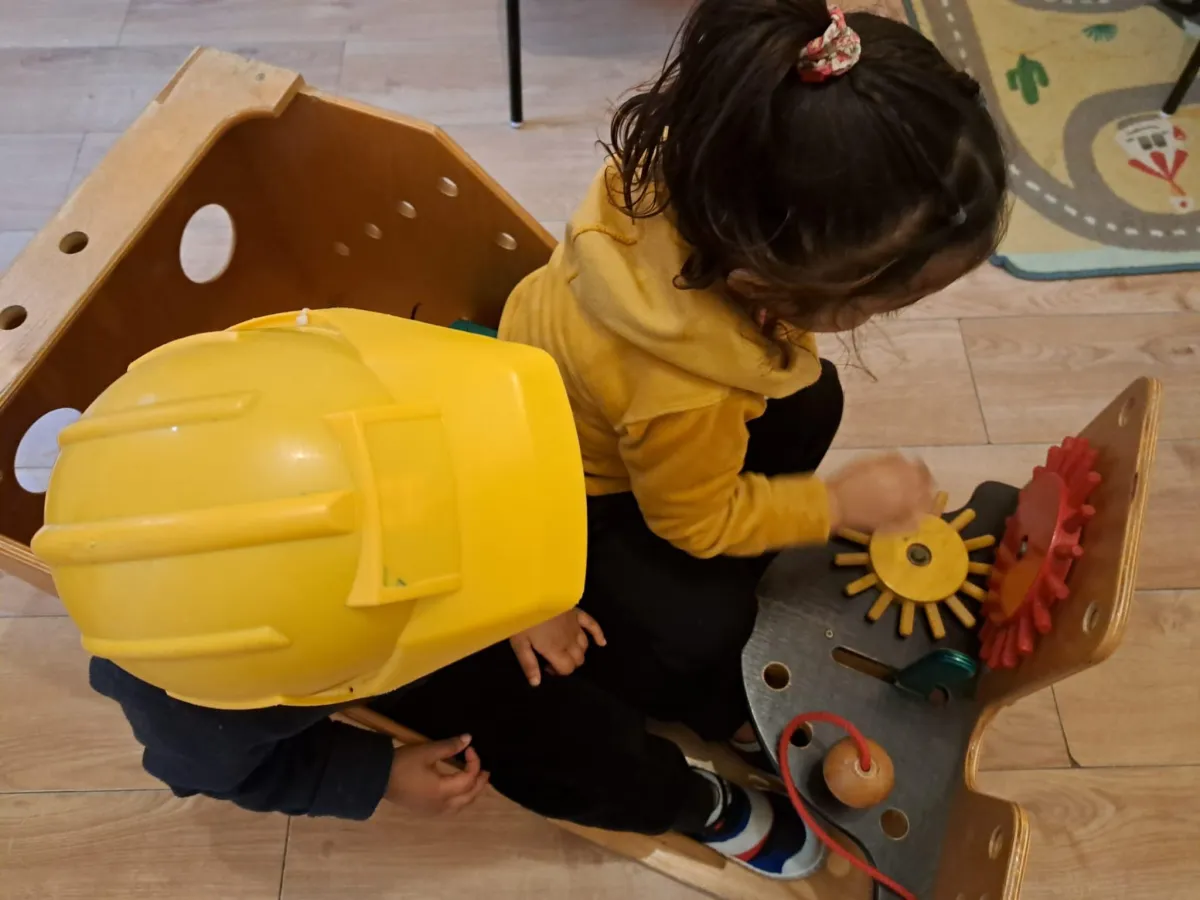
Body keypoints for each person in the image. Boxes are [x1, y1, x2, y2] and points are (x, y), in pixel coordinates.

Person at [41, 308, 823, 880]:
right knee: (566, 746)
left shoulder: (296, 390)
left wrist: (524, 588)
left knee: (652, 621)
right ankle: (686, 800)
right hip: (392, 651)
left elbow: (469, 407)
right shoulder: (197, 705)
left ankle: (723, 701)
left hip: (448, 547)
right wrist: (377, 775)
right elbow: (231, 772)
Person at [500, 0, 1007, 766]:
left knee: (812, 397)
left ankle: (756, 531)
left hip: (569, 380)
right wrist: (831, 504)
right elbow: (692, 525)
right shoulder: (683, 392)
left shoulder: (703, 156)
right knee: (700, 627)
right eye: (890, 299)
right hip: (568, 492)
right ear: (761, 280)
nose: (890, 314)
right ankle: (712, 707)